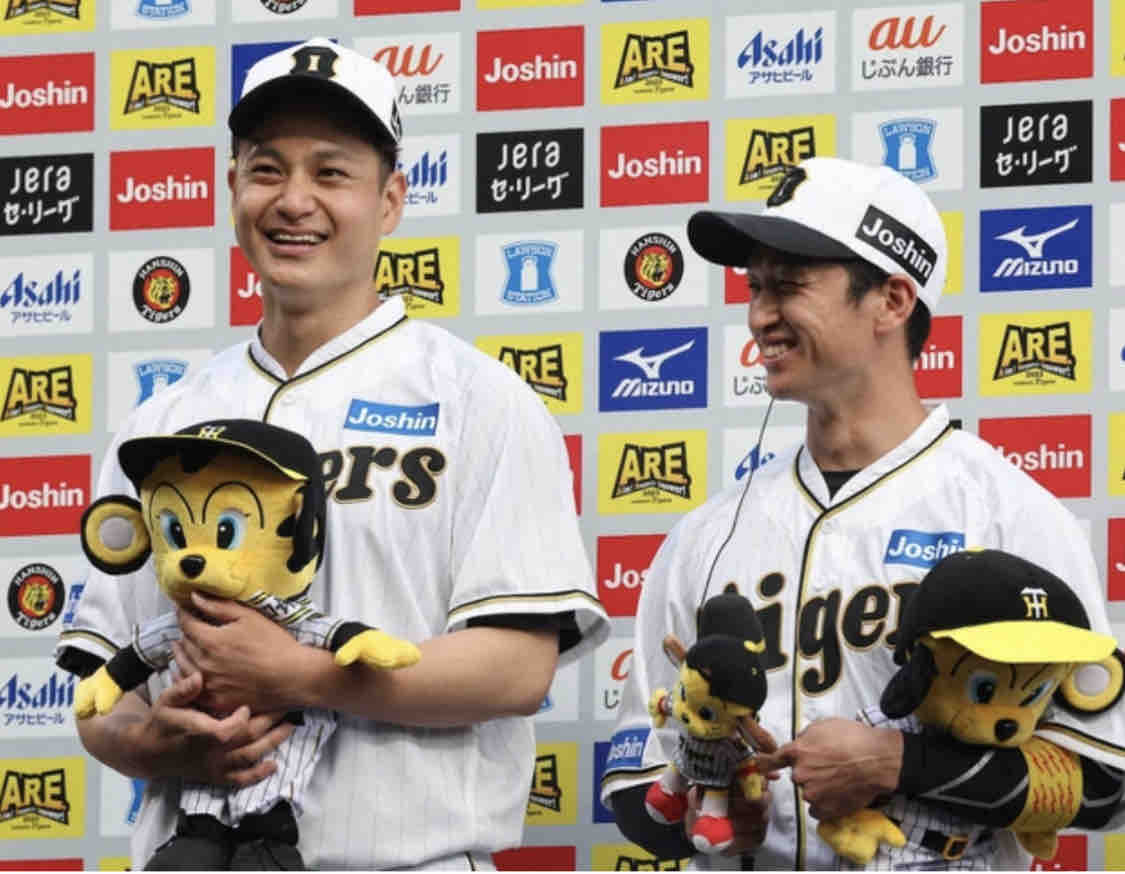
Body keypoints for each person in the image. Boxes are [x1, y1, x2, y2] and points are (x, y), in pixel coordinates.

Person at [56, 37, 608, 871]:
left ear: (389, 201)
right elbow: (105, 691)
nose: (293, 200)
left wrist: (298, 673)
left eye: (330, 172)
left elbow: (515, 669)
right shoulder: (165, 421)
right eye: (267, 170)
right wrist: (157, 745)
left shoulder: (477, 399)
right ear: (232, 187)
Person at [599, 156, 1125, 869]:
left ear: (892, 300)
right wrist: (703, 809)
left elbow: (1104, 779)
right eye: (755, 287)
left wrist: (895, 762)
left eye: (789, 286)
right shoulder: (707, 534)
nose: (759, 315)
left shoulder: (1007, 513)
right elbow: (636, 783)